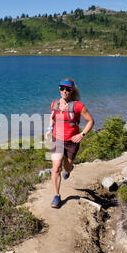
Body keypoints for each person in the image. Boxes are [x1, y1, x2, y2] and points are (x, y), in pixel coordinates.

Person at [45, 78, 94, 208]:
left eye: (67, 89)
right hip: (57, 139)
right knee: (56, 168)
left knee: (67, 167)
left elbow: (90, 121)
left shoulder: (78, 106)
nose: (64, 91)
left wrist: (82, 134)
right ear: (59, 89)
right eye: (62, 88)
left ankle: (69, 169)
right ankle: (57, 196)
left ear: (72, 91)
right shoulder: (55, 103)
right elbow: (52, 116)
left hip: (72, 141)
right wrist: (50, 129)